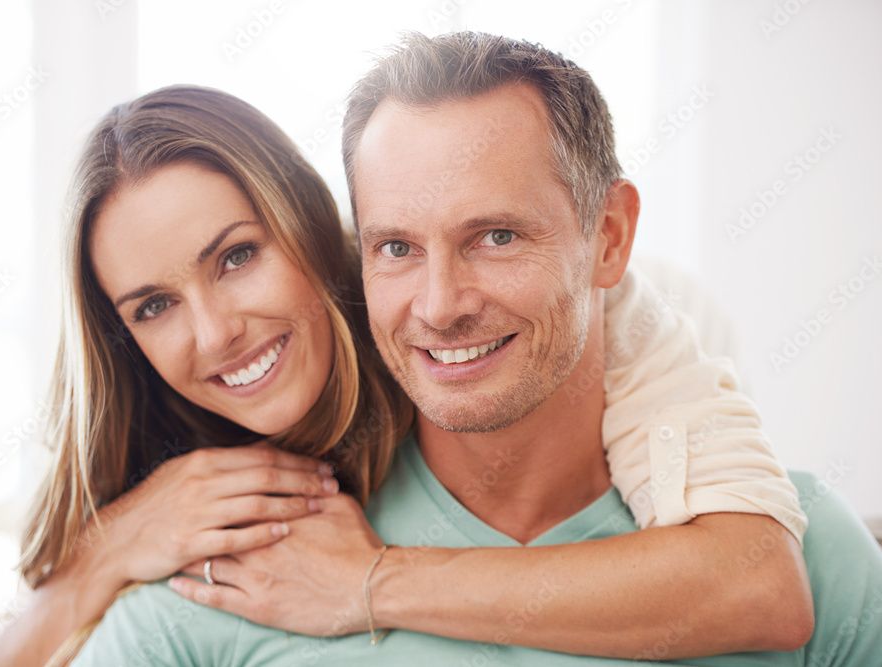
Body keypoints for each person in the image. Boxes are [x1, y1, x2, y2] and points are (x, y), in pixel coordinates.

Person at [68, 33, 882, 666]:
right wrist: (94, 559)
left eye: (495, 236)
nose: (439, 304)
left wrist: (375, 582)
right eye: (395, 247)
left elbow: (761, 585)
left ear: (610, 236)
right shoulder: (234, 575)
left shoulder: (799, 547)